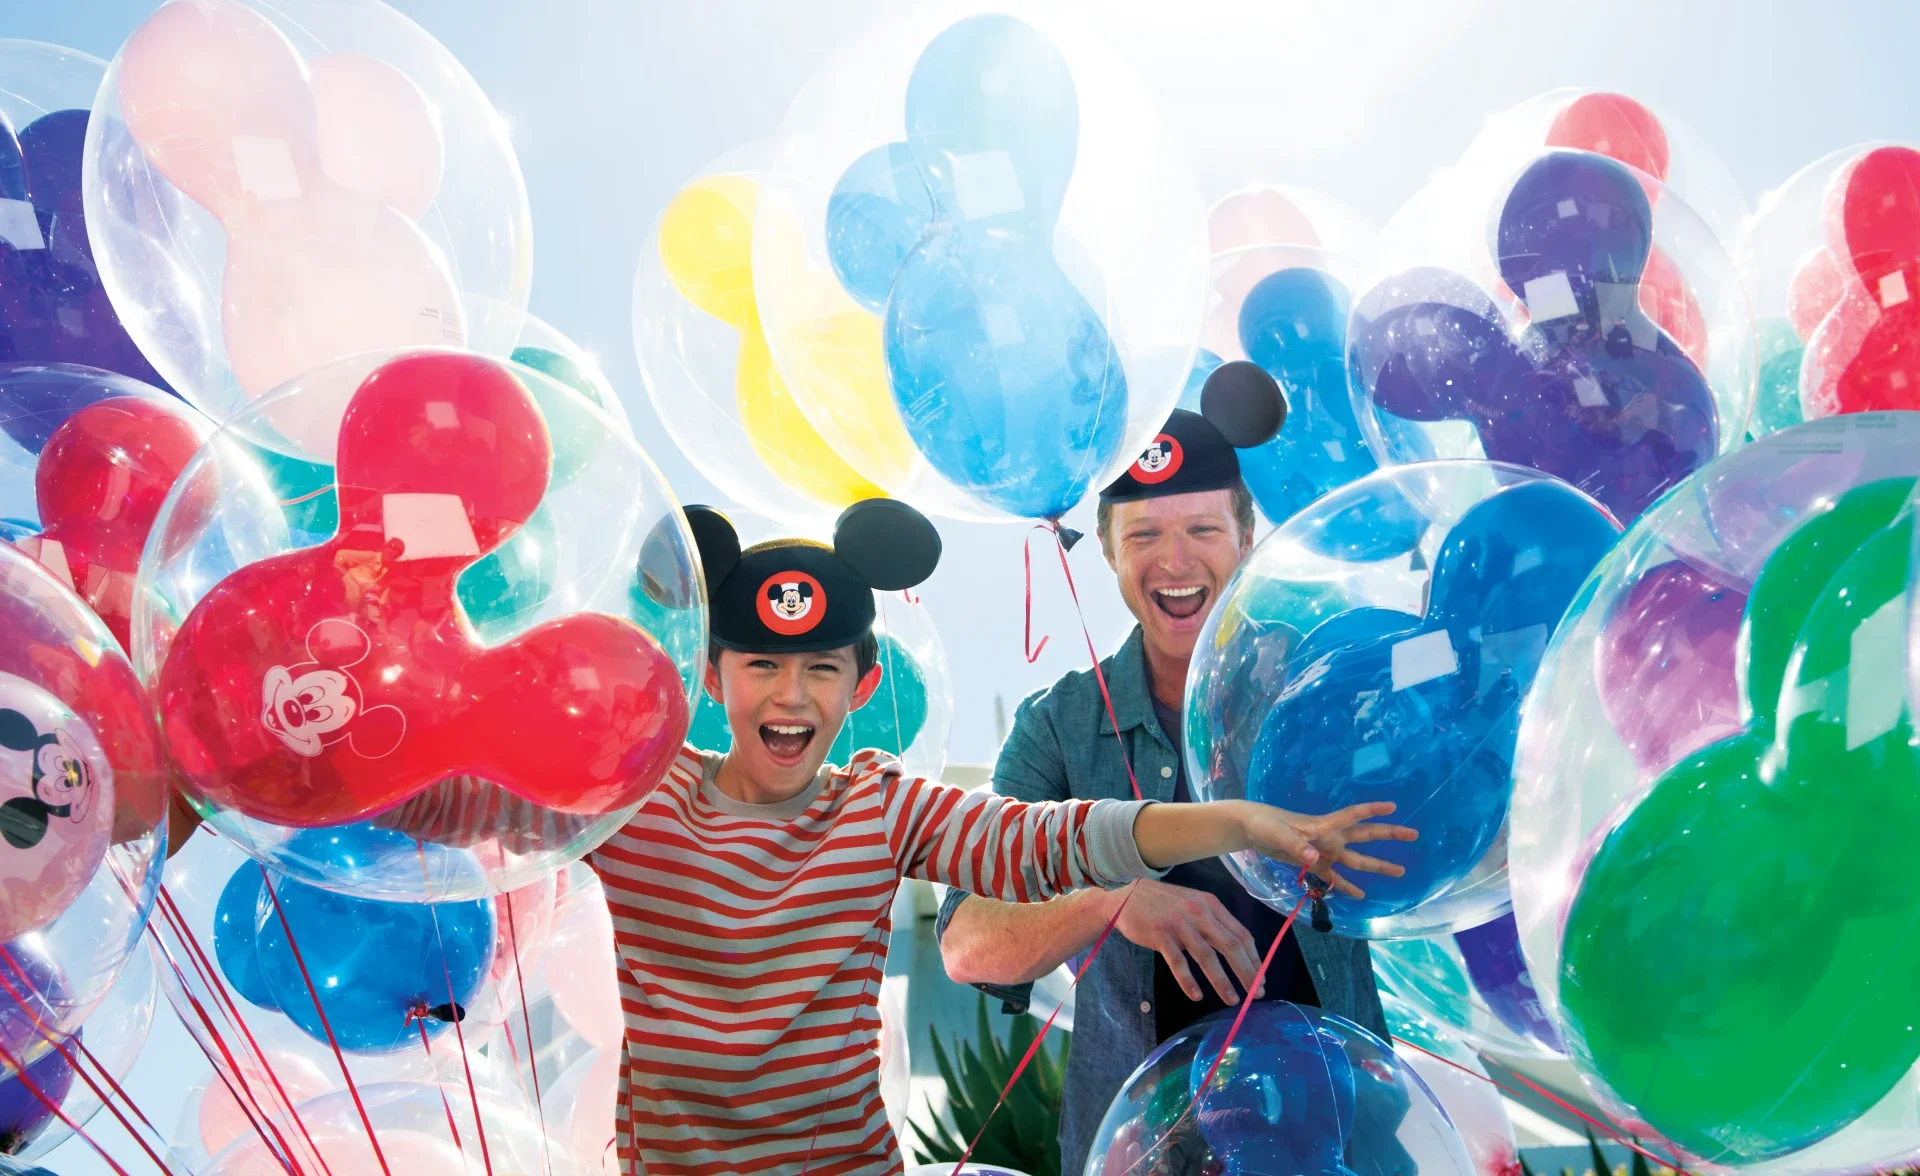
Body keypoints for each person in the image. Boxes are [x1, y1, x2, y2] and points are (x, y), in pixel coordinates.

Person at [589, 495, 1414, 1176]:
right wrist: (1118, 900)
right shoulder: (635, 800)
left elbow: (1055, 838)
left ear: (862, 685)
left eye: (821, 667)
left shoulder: (879, 807)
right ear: (712, 674)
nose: (791, 695)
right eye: (763, 664)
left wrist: (1243, 821)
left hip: (1349, 1132)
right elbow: (524, 808)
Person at [937, 362, 1402, 1176]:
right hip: (1145, 1157)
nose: (1174, 561)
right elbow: (968, 943)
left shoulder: (1328, 686)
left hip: (1344, 1144)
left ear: (1247, 540)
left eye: (1202, 530)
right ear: (1108, 552)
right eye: (1145, 535)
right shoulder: (1059, 728)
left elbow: (1448, 832)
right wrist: (1112, 900)